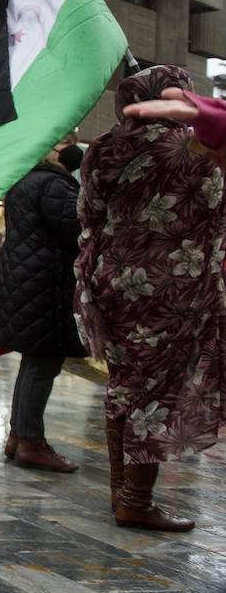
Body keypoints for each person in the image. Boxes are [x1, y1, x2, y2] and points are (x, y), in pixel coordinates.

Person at [75, 66, 225, 532]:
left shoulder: (103, 146)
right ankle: (136, 501)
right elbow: (217, 203)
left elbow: (89, 213)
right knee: (154, 392)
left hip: (111, 281)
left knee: (122, 384)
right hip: (172, 284)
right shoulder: (193, 146)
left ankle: (122, 495)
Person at [0, 133, 84, 473]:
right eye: (64, 140)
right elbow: (78, 228)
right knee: (43, 364)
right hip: (45, 287)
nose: (72, 145)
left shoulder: (26, 180)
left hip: (31, 285)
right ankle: (29, 440)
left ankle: (19, 436)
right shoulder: (52, 185)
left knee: (34, 363)